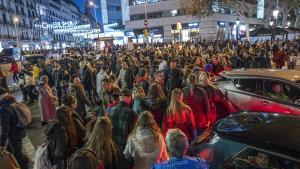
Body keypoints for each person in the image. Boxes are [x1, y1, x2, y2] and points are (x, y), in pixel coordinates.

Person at [0, 87, 28, 169]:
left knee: (17, 154)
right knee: (11, 148)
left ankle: (24, 166)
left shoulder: (3, 109)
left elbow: (5, 129)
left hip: (14, 134)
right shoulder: (12, 101)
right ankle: (25, 160)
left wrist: (1, 144)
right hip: (21, 129)